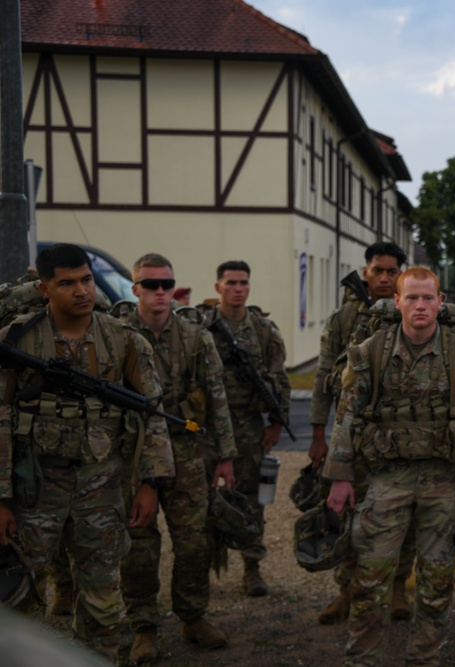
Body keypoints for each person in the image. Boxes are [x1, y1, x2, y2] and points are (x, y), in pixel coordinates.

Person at [0, 243, 175, 661]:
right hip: (33, 486)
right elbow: (0, 417)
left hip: (100, 483)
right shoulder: (17, 338)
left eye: (87, 280)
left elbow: (153, 413)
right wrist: (1, 497)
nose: (82, 291)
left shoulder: (124, 340)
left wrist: (151, 484)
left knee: (102, 599)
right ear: (44, 288)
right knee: (19, 592)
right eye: (67, 283)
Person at [324, 267, 455, 666]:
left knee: (437, 578)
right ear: (398, 302)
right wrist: (339, 477)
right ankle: (363, 659)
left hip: (443, 480)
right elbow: (347, 416)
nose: (420, 305)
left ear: (441, 302)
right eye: (412, 298)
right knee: (371, 576)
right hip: (387, 478)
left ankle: (424, 658)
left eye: (427, 298)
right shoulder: (370, 351)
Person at [120, 254, 238, 663]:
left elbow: (218, 398)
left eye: (166, 284)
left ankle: (192, 616)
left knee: (192, 542)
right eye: (150, 285)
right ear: (135, 289)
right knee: (139, 544)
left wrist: (225, 456)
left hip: (186, 451)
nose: (159, 291)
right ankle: (144, 625)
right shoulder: (117, 334)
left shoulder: (194, 336)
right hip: (134, 454)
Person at [308, 241, 416, 625]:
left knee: (404, 515)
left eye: (391, 271)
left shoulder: (414, 310)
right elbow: (323, 377)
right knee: (348, 515)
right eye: (377, 270)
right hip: (352, 434)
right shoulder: (343, 319)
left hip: (403, 435)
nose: (384, 278)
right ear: (366, 272)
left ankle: (400, 589)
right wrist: (318, 434)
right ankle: (346, 592)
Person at [204, 260, 290, 597]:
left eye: (243, 283)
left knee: (254, 498)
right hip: (209, 428)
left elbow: (279, 378)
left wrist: (277, 423)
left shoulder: (264, 329)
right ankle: (207, 570)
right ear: (218, 288)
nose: (238, 288)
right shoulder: (202, 328)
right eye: (231, 283)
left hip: (250, 426)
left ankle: (252, 569)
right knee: (208, 497)